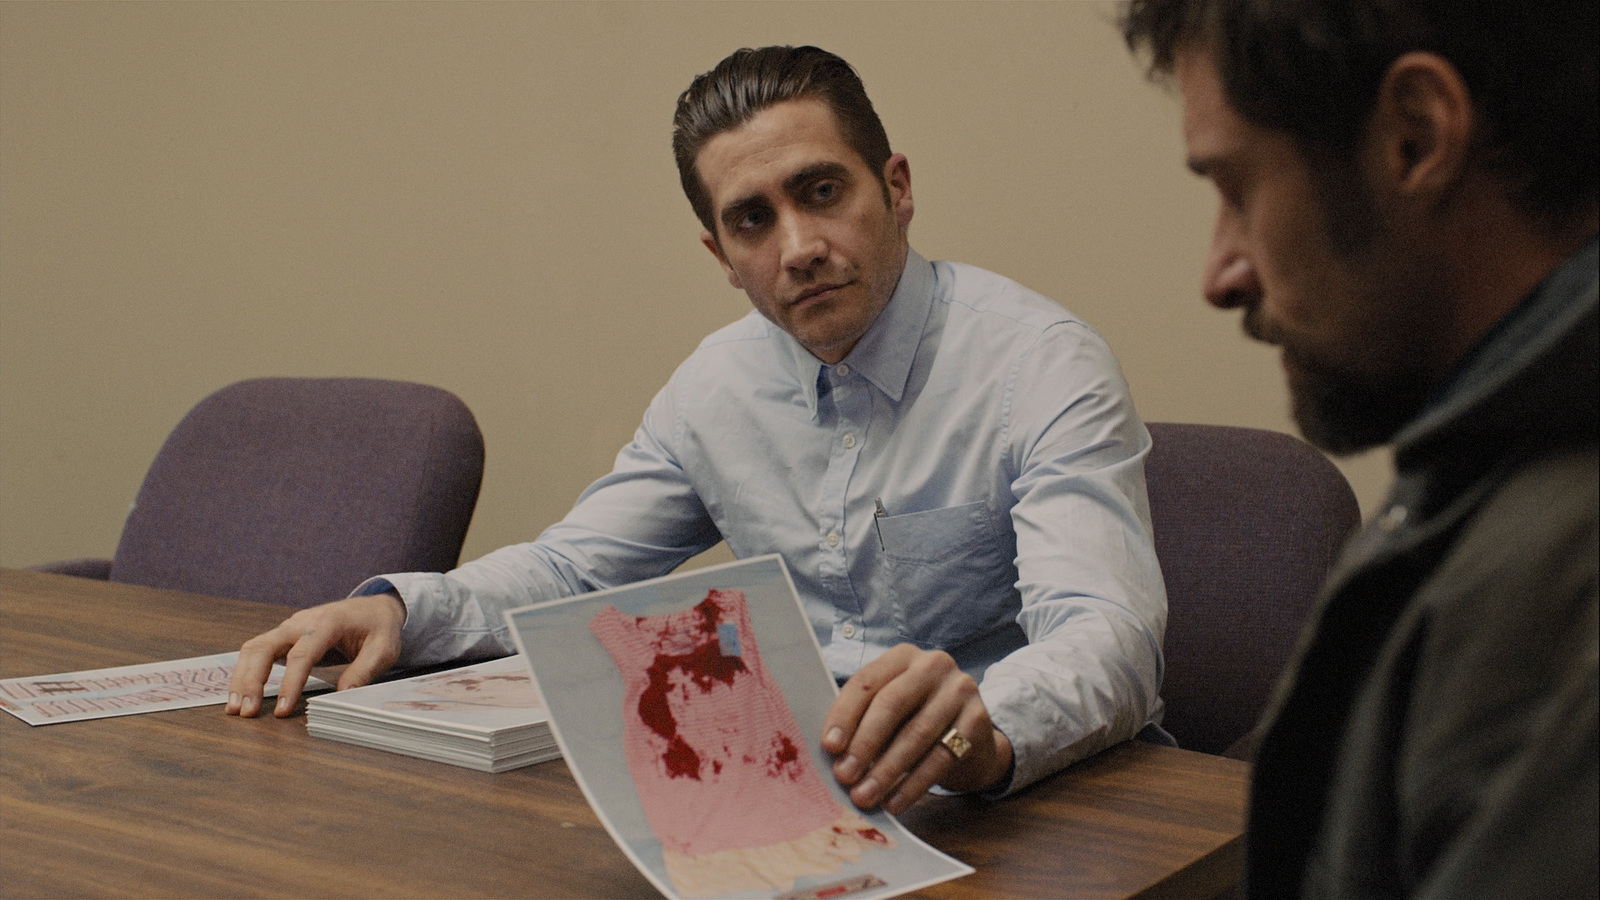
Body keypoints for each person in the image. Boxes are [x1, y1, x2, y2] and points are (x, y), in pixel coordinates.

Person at [227, 45, 1170, 813]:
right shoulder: (714, 390)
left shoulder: (1042, 362)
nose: (798, 247)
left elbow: (1107, 635)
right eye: (753, 221)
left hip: (1024, 802)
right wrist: (402, 607)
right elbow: (574, 573)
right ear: (721, 255)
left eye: (823, 192)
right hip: (812, 802)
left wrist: (978, 730)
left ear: (897, 187)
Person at [1122, 1, 1598, 896]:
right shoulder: (1489, 479)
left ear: (1415, 138)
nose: (1221, 273)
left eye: (1238, 187)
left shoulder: (1554, 609)